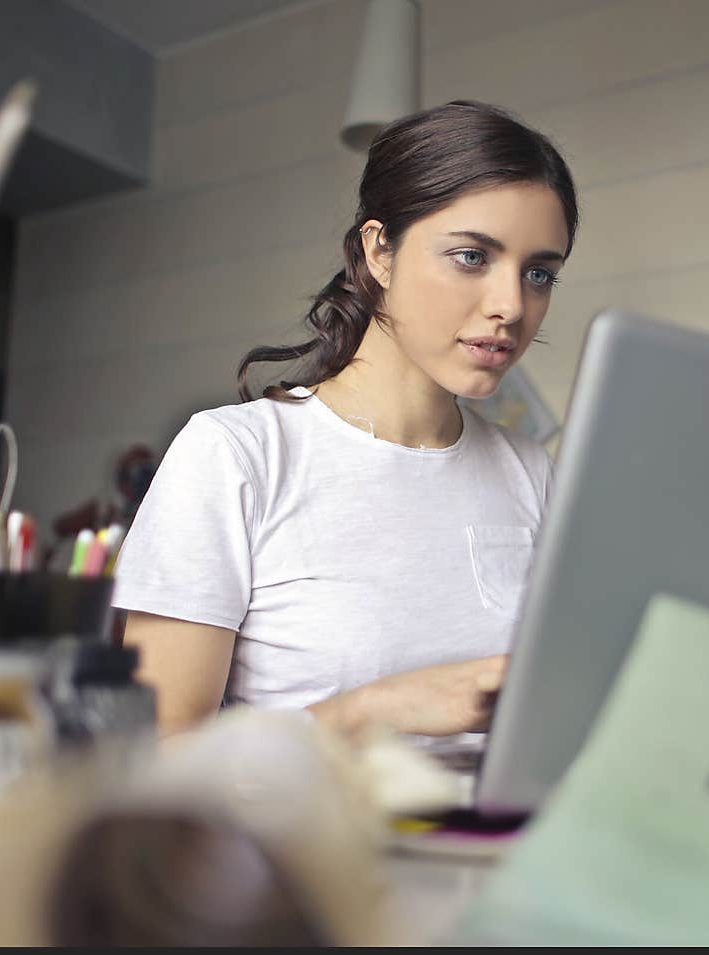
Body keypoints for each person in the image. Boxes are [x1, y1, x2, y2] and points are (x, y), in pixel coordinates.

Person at [113, 99, 579, 739]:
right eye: (471, 256)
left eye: (538, 273)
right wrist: (370, 710)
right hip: (312, 838)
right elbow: (151, 761)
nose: (511, 305)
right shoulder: (235, 456)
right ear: (380, 252)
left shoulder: (533, 475)